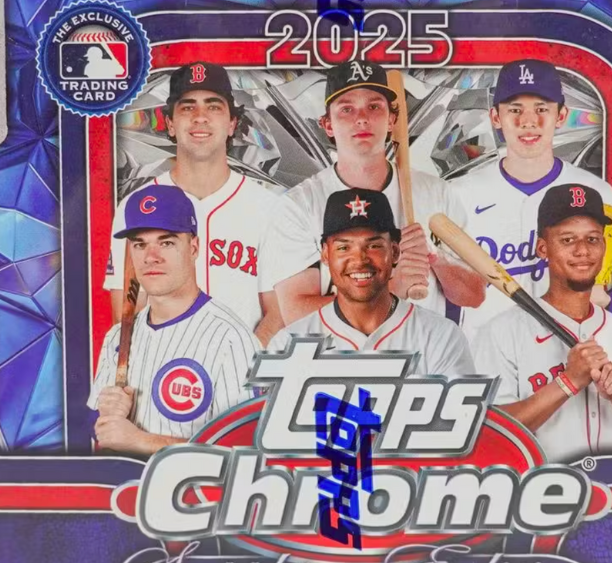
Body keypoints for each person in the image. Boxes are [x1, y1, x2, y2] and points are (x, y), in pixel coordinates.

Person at [259, 60, 484, 324]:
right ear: (327, 124)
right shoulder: (299, 205)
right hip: (341, 350)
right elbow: (296, 313)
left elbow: (475, 295)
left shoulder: (437, 193)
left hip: (424, 347)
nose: (362, 118)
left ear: (392, 120)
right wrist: (388, 291)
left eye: (374, 106)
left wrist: (436, 258)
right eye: (347, 109)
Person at [453, 59, 612, 335]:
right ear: (495, 117)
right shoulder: (460, 193)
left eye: (541, 109)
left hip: (566, 352)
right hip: (485, 350)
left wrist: (606, 302)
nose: (528, 121)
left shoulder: (595, 192)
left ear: (561, 115)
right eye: (515, 109)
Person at [472, 183, 612, 461]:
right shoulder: (500, 333)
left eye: (592, 239)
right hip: (539, 485)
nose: (582, 250)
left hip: (611, 484)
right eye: (567, 240)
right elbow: (490, 435)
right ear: (543, 248)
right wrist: (568, 382)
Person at [104, 62, 283, 343]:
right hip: (162, 365)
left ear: (232, 124)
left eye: (213, 106)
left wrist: (241, 362)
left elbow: (279, 313)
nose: (200, 117)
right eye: (188, 107)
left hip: (244, 366)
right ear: (170, 124)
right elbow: (127, 314)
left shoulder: (270, 208)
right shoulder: (134, 206)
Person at [90, 185, 258, 455]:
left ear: (194, 247)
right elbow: (103, 434)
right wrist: (107, 416)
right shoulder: (117, 338)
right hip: (124, 481)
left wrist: (142, 441)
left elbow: (244, 453)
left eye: (166, 242)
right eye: (140, 244)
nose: (151, 257)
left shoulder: (231, 340)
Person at [268, 189, 474, 379]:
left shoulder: (440, 337)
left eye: (374, 245)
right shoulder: (288, 346)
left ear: (395, 251)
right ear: (325, 254)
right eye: (344, 248)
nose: (359, 260)